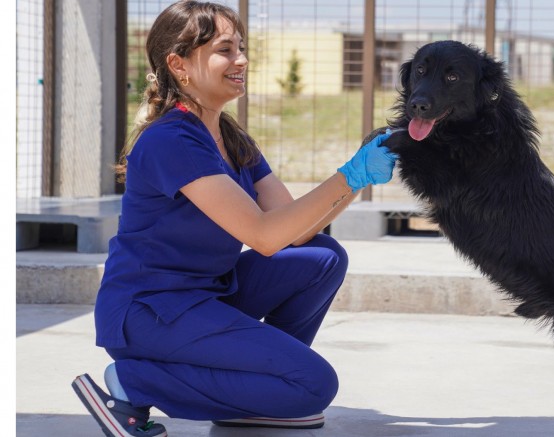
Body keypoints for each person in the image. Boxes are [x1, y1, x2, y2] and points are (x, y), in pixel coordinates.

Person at [69, 2, 398, 436]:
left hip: (207, 297)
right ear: (178, 64)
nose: (242, 59)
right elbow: (264, 237)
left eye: (241, 47)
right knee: (314, 386)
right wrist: (349, 174)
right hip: (150, 312)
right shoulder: (172, 139)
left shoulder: (231, 137)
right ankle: (131, 384)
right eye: (225, 49)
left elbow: (295, 231)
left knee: (323, 257)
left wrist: (356, 179)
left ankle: (247, 392)